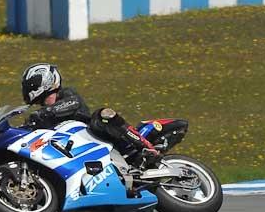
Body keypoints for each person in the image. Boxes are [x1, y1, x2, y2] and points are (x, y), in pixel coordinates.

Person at [20, 63, 160, 168]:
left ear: (44, 81)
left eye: (30, 85)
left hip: (95, 135)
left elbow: (72, 103)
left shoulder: (67, 95)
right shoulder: (42, 116)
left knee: (102, 115)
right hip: (74, 151)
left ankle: (145, 146)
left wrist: (43, 113)